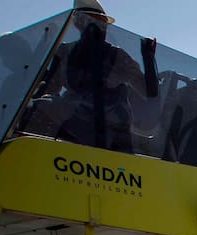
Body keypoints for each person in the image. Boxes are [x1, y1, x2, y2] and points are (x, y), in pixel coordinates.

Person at [27, 1, 159, 153]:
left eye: (102, 23)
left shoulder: (117, 56)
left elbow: (148, 91)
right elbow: (50, 88)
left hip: (112, 122)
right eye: (92, 21)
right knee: (34, 109)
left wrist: (148, 60)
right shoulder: (64, 52)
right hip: (74, 115)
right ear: (78, 22)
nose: (100, 27)